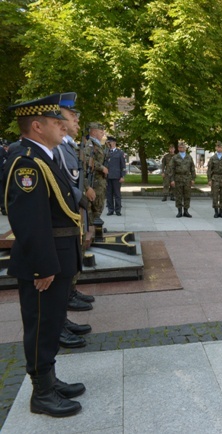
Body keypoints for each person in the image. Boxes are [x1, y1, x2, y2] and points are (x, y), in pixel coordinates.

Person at [5, 94, 85, 417]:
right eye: (55, 122)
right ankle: (41, 393)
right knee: (41, 326)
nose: (62, 125)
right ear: (37, 127)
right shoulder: (27, 163)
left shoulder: (44, 157)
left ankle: (49, 380)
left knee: (51, 325)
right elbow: (30, 221)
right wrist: (42, 267)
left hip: (57, 257)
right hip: (45, 263)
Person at [55, 92, 94, 348]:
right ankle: (58, 325)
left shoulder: (65, 145)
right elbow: (62, 182)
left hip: (70, 213)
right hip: (61, 217)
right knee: (58, 276)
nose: (77, 120)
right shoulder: (55, 148)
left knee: (69, 265)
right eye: (72, 116)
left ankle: (62, 318)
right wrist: (81, 196)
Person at [86, 122, 107, 224]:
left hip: (99, 181)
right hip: (94, 181)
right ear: (94, 132)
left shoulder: (98, 145)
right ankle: (93, 228)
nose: (103, 133)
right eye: (101, 131)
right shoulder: (90, 144)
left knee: (99, 205)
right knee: (94, 206)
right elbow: (87, 159)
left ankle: (96, 226)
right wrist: (102, 168)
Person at [169, 140, 196, 217]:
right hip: (178, 178)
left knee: (187, 195)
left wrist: (193, 179)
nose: (181, 148)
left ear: (185, 148)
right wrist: (172, 180)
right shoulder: (175, 157)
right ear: (178, 148)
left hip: (187, 178)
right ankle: (179, 211)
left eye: (183, 147)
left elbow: (192, 169)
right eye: (180, 147)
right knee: (178, 195)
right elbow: (171, 169)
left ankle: (186, 211)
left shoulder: (189, 157)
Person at [207, 141, 222, 218]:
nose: (219, 148)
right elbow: (209, 169)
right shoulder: (213, 158)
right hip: (215, 178)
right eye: (218, 147)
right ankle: (216, 211)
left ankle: (221, 211)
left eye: (221, 147)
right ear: (216, 148)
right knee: (215, 195)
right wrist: (209, 180)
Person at [105, 136, 126, 216]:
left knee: (117, 194)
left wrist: (122, 176)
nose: (108, 144)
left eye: (109, 142)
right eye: (108, 142)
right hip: (108, 176)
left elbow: (123, 165)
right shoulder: (106, 152)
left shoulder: (120, 153)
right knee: (109, 194)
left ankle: (118, 210)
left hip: (117, 176)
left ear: (114, 143)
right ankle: (110, 210)